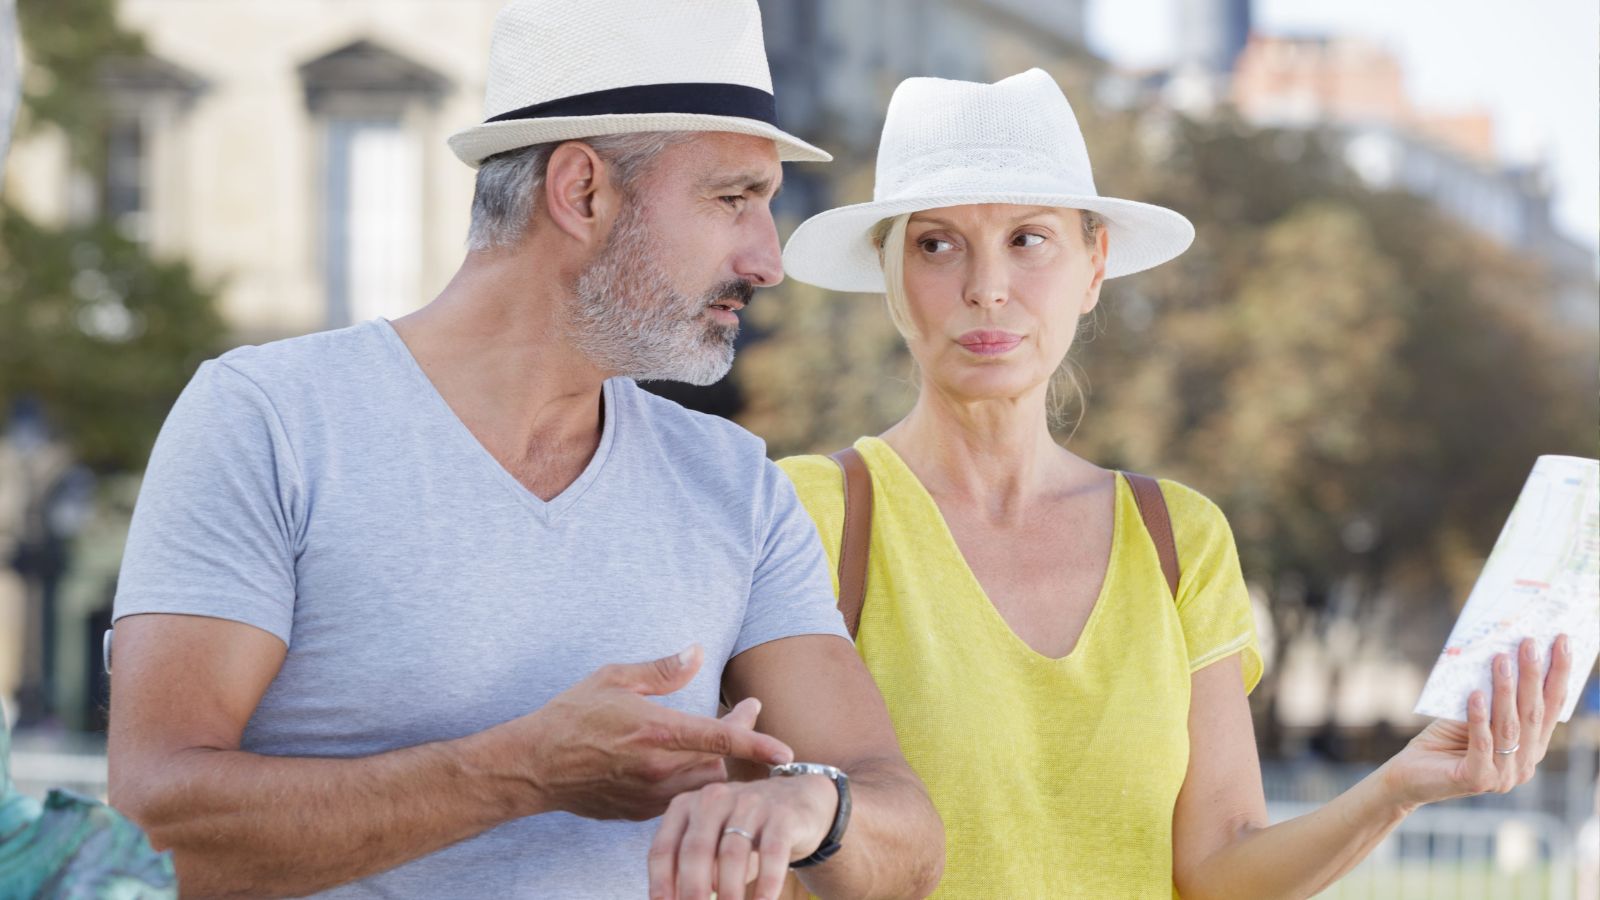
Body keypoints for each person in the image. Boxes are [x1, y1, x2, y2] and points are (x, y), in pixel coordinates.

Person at [105, 2, 943, 898]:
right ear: (581, 191)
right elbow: (155, 826)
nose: (768, 258)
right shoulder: (268, 421)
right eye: (734, 198)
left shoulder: (735, 483)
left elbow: (907, 844)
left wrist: (815, 813)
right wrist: (522, 772)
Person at [776, 68, 1572, 898]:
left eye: (1029, 239)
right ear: (889, 277)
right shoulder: (808, 515)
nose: (986, 287)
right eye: (936, 244)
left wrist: (1400, 786)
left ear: (1094, 267)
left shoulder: (1177, 539)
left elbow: (1221, 870)